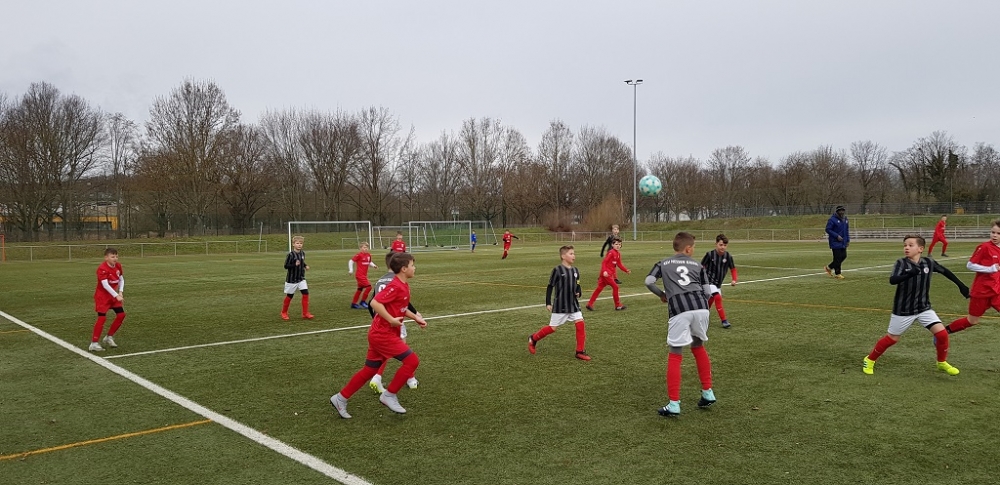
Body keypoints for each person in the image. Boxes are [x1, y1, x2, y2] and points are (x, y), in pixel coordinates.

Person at [330, 252, 428, 418]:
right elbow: (375, 302)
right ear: (404, 269)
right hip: (383, 334)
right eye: (412, 265)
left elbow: (401, 308)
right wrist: (390, 320)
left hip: (381, 333)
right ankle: (389, 395)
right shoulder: (395, 285)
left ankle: (340, 398)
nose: (415, 268)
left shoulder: (403, 285)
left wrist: (416, 318)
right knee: (412, 361)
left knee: (370, 370)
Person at [861, 235, 969, 376]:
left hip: (923, 308)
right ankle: (870, 359)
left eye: (910, 245)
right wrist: (909, 274)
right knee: (892, 338)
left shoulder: (928, 262)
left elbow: (945, 271)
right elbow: (893, 280)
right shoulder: (901, 263)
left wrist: (961, 286)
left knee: (942, 334)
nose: (906, 247)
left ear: (920, 249)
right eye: (905, 245)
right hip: (903, 310)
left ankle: (941, 362)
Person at [644, 232, 717, 417]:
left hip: (679, 309)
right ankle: (708, 392)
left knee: (675, 353)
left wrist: (662, 294)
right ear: (688, 249)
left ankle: (674, 404)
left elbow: (649, 281)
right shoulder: (698, 265)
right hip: (701, 308)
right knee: (698, 346)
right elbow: (708, 292)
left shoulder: (663, 263)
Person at [367, 252, 421, 393]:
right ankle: (410, 379)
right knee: (404, 351)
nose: (413, 267)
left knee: (385, 351)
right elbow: (403, 302)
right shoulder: (396, 281)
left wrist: (375, 318)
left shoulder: (380, 280)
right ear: (401, 266)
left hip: (380, 321)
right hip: (394, 320)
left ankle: (377, 377)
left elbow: (371, 301)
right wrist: (415, 314)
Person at [527, 245, 591, 361]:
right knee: (552, 328)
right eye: (571, 254)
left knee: (580, 324)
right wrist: (548, 303)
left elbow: (578, 285)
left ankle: (579, 351)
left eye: (574, 253)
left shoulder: (575, 271)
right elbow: (550, 286)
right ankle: (533, 338)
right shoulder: (557, 270)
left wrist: (578, 292)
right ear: (563, 256)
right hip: (561, 305)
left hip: (573, 304)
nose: (574, 256)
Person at [941, 220, 1000, 336]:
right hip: (981, 291)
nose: (994, 235)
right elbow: (970, 265)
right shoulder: (984, 247)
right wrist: (990, 269)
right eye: (993, 232)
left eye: (998, 233)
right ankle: (944, 332)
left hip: (996, 290)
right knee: (972, 321)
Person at [90, 247, 126, 351]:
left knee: (121, 315)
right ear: (106, 257)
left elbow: (121, 279)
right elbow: (105, 285)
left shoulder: (118, 266)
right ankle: (94, 343)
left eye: (116, 256)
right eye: (112, 256)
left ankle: (109, 337)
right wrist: (116, 295)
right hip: (102, 297)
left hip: (113, 295)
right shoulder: (102, 268)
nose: (115, 258)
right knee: (102, 318)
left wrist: (120, 292)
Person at [701, 234, 738, 329]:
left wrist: (734, 279)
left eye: (725, 245)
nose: (723, 247)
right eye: (721, 245)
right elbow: (701, 267)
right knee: (717, 297)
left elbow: (733, 269)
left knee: (710, 300)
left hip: (718, 284)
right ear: (716, 244)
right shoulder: (710, 255)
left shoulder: (728, 256)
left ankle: (702, 317)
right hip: (708, 282)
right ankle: (724, 320)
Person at [586, 236, 631, 311]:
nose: (618, 246)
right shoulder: (611, 252)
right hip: (606, 274)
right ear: (612, 245)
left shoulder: (618, 254)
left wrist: (626, 270)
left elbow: (619, 264)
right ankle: (617, 305)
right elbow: (604, 262)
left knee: (599, 288)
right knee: (615, 287)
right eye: (616, 244)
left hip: (607, 274)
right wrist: (604, 271)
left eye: (619, 244)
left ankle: (589, 304)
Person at [281, 235, 313, 320]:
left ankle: (305, 313)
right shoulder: (290, 255)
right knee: (290, 296)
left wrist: (305, 266)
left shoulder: (302, 253)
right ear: (293, 244)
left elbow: (302, 262)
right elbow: (286, 266)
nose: (299, 245)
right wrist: (294, 265)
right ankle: (284, 312)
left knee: (305, 294)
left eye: (301, 243)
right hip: (292, 279)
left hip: (301, 278)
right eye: (297, 243)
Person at [348, 242, 378, 310]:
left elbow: (369, 262)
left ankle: (354, 304)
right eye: (364, 247)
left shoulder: (368, 255)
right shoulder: (359, 255)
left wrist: (374, 265)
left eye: (367, 247)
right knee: (369, 287)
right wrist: (351, 270)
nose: (366, 249)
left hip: (364, 275)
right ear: (360, 248)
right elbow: (351, 261)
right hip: (359, 275)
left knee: (359, 289)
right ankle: (363, 302)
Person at [824, 205, 850, 279]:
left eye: (843, 210)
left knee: (843, 256)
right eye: (840, 211)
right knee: (837, 258)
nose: (842, 212)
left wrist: (847, 240)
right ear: (837, 211)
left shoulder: (845, 219)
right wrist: (836, 236)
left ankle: (829, 267)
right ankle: (838, 273)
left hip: (843, 242)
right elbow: (828, 229)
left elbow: (846, 231)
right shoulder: (832, 220)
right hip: (835, 242)